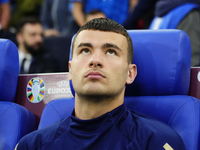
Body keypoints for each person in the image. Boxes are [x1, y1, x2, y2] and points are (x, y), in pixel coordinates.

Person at [15, 18, 186, 149]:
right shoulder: (32, 145)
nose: (95, 60)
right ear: (70, 70)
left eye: (110, 51)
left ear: (130, 73)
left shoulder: (157, 141)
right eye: (85, 50)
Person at [150, 0, 200, 67]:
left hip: (157, 73)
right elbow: (191, 63)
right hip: (175, 75)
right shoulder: (190, 14)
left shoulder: (160, 14)